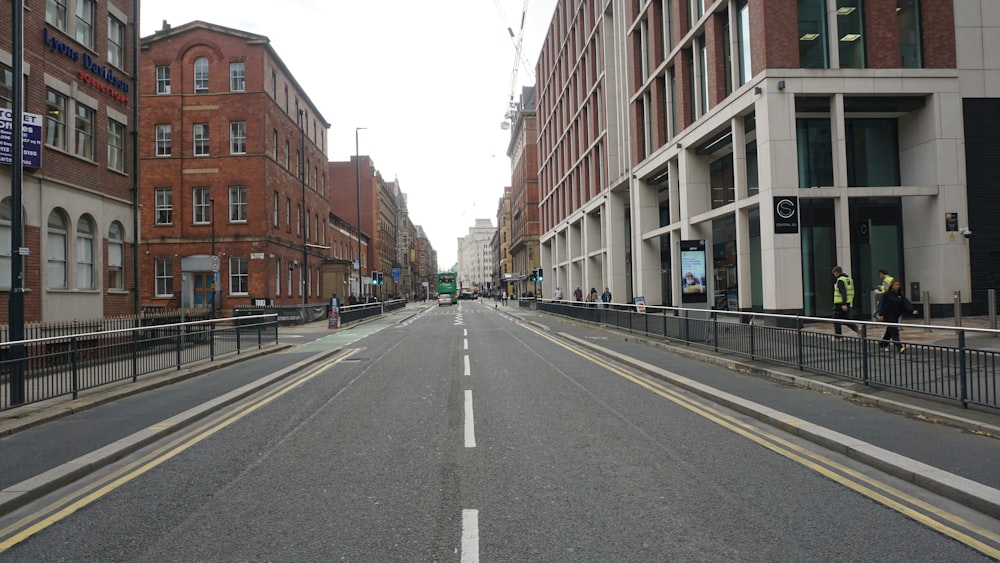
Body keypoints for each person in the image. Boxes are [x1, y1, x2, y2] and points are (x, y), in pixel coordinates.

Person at [877, 278, 919, 352]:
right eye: (895, 285)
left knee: (889, 331)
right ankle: (900, 347)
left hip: (895, 315)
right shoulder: (887, 294)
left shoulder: (899, 295)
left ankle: (882, 344)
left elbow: (905, 303)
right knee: (894, 331)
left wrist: (912, 310)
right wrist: (881, 314)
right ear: (892, 285)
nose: (897, 286)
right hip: (888, 315)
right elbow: (882, 304)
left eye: (898, 285)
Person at [832, 266, 859, 337]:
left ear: (836, 272)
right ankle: (857, 329)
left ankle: (838, 337)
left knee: (836, 319)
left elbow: (843, 292)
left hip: (840, 303)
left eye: (834, 274)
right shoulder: (849, 279)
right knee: (845, 319)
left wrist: (843, 304)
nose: (834, 275)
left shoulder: (840, 280)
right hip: (847, 302)